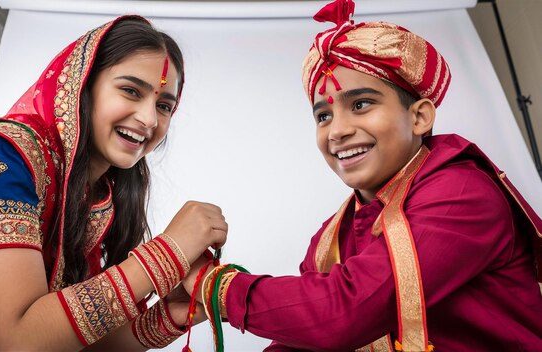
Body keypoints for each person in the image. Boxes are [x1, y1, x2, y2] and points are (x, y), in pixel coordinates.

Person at [183, 0, 542, 351]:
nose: (337, 131)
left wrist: (211, 285)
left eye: (360, 105)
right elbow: (304, 340)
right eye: (323, 116)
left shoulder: (462, 194)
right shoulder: (331, 237)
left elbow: (343, 313)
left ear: (419, 117)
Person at [0, 15, 227, 351]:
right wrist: (168, 253)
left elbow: (65, 342)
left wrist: (167, 316)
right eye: (130, 91)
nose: (149, 119)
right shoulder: (3, 155)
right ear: (83, 85)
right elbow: (19, 342)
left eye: (164, 105)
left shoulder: (99, 197)